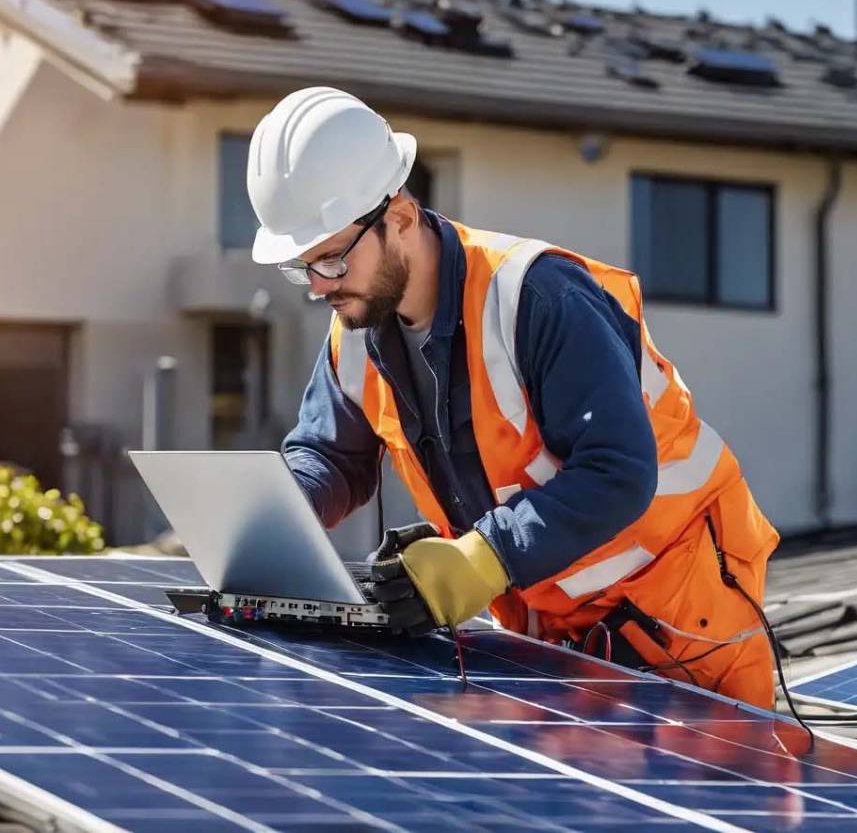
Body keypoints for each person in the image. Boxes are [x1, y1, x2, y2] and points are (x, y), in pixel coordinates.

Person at [246, 86, 781, 707]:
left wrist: (482, 556)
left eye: (331, 260)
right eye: (302, 267)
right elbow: (332, 457)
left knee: (706, 804)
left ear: (399, 216)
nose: (317, 286)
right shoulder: (360, 326)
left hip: (678, 624)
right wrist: (274, 519)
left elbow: (617, 472)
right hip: (552, 639)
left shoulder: (539, 298)